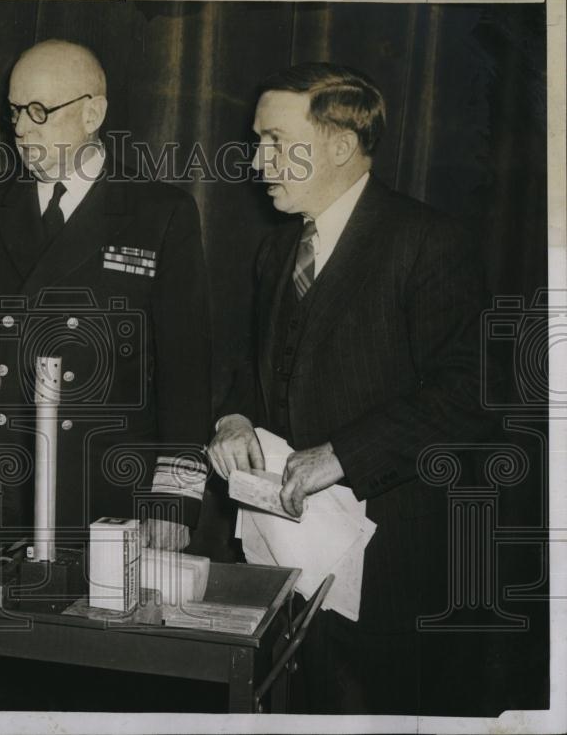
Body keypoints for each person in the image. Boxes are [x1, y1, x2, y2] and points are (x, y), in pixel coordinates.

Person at [208, 63, 494, 713]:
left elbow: (472, 392)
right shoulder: (276, 252)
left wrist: (340, 455)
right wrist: (233, 420)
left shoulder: (428, 242)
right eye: (258, 141)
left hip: (392, 579)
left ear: (339, 145)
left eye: (277, 141)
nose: (258, 161)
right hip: (286, 563)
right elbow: (252, 373)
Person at [0, 38, 212, 554]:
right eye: (14, 112)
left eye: (38, 111)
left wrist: (176, 495)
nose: (21, 129)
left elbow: (186, 364)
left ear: (93, 112)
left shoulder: (160, 212)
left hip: (103, 484)